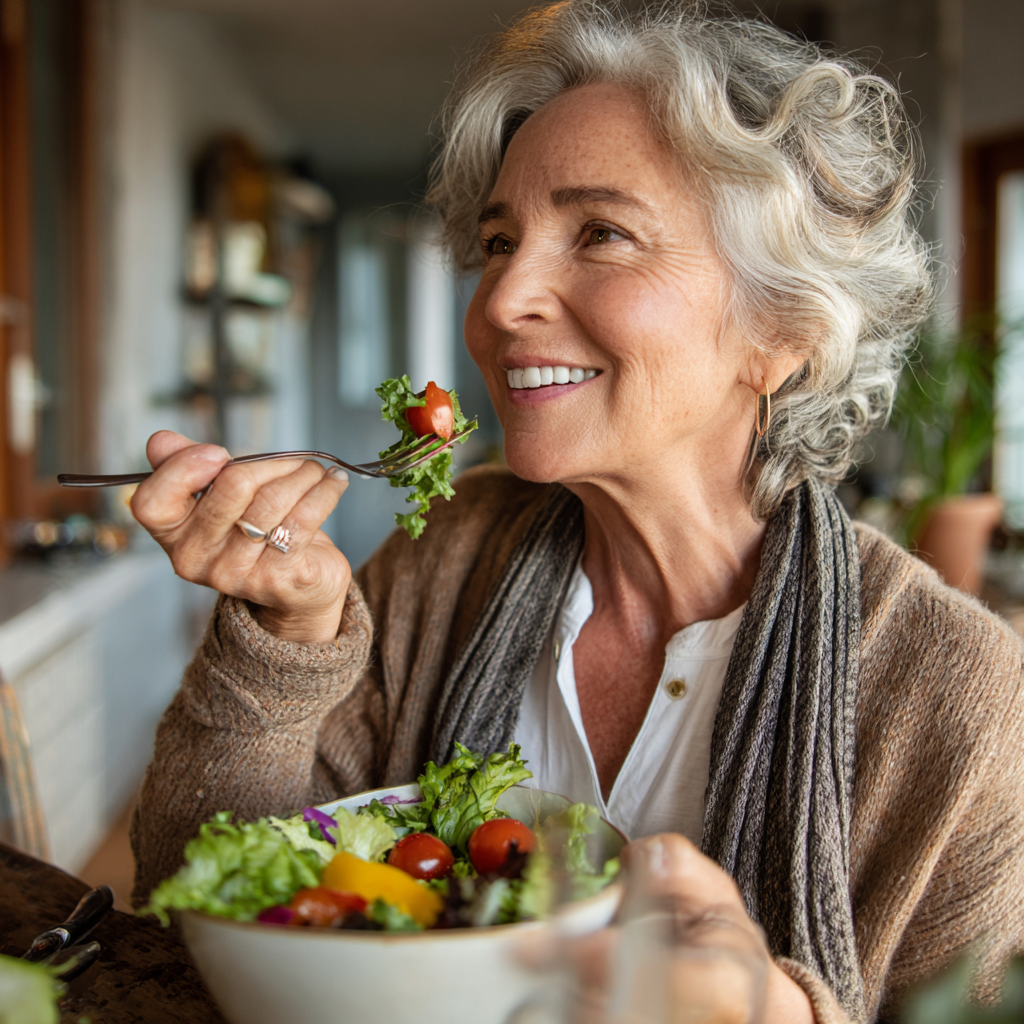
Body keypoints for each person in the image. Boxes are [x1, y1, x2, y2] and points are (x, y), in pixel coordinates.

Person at [128, 3, 1024, 1022]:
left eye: (600, 233)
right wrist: (285, 640)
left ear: (782, 331)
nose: (503, 298)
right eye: (499, 239)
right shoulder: (441, 558)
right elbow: (190, 911)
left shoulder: (952, 691)